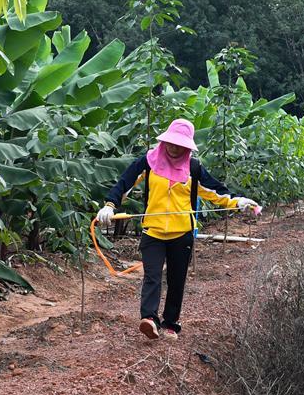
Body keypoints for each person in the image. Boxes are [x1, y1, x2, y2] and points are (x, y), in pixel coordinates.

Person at [97, 119, 259, 340]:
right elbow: (124, 183)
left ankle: (171, 324)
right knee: (152, 276)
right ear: (165, 142)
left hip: (182, 234)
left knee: (176, 279)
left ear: (187, 147)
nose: (174, 148)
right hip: (153, 231)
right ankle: (149, 319)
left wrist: (238, 201)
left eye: (179, 145)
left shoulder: (194, 168)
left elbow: (216, 192)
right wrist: (109, 205)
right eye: (171, 143)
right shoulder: (148, 162)